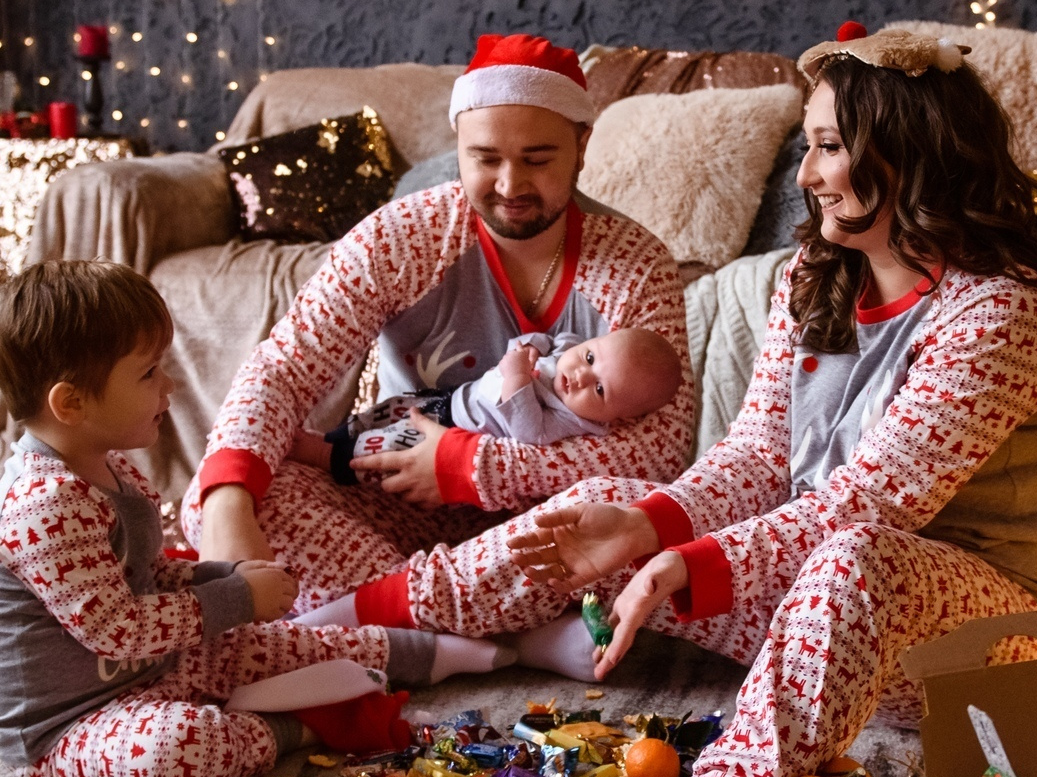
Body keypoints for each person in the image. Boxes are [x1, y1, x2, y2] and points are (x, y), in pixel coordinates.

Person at [382, 21, 1037, 777]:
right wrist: (647, 526)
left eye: (832, 144)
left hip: (991, 633)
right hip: (814, 606)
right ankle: (364, 628)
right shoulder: (817, 278)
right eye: (811, 143)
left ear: (915, 150)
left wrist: (692, 560)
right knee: (602, 500)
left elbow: (868, 501)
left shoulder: (997, 313)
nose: (809, 172)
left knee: (851, 554)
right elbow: (760, 457)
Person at [0, 261, 509, 777]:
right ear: (71, 404)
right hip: (71, 724)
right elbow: (119, 629)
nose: (168, 385)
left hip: (158, 668)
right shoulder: (42, 506)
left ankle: (453, 655)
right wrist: (236, 597)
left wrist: (223, 575)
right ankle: (296, 725)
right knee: (179, 752)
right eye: (149, 374)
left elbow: (146, 578)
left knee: (286, 642)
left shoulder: (107, 468)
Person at [187, 33, 693, 621]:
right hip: (399, 505)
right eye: (485, 158)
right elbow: (286, 368)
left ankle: (386, 619)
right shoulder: (404, 236)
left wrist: (467, 467)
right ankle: (486, 628)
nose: (510, 186)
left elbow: (660, 453)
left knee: (632, 510)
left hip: (548, 531)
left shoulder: (638, 265)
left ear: (582, 146)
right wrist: (228, 508)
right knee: (227, 489)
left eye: (537, 159)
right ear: (457, 144)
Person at [291, 326, 685, 486]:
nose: (581, 376)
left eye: (600, 390)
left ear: (620, 418)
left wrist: (516, 377)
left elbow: (530, 432)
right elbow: (552, 339)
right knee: (387, 411)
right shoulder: (569, 347)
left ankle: (325, 454)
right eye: (591, 359)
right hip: (453, 396)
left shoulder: (577, 421)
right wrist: (531, 345)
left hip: (451, 432)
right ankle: (336, 434)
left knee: (386, 447)